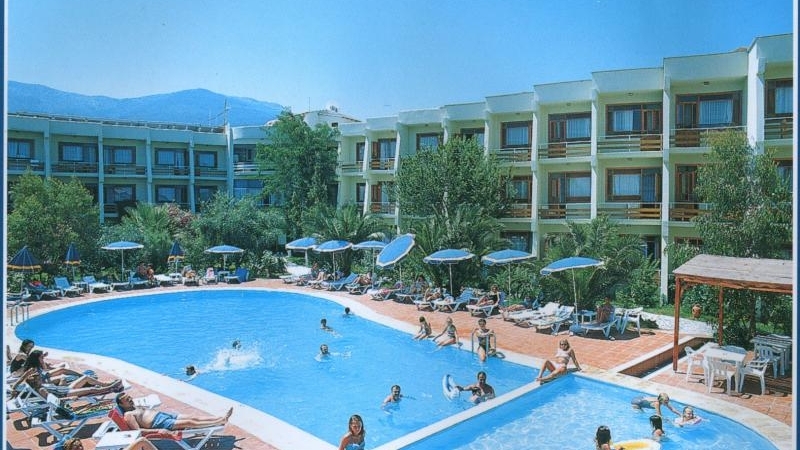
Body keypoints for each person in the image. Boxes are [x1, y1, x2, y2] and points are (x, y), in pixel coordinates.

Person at [115, 392, 232, 432]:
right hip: (158, 423)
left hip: (163, 415)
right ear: (121, 404)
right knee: (190, 423)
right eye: (127, 400)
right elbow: (138, 430)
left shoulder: (135, 406)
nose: (130, 399)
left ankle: (220, 418)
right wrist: (158, 430)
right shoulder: (128, 415)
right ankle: (219, 422)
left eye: (129, 397)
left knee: (193, 417)